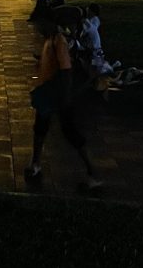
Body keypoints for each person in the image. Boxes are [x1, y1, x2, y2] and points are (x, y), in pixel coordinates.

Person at [24, 17, 100, 191]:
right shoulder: (51, 40)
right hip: (48, 92)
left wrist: (65, 97)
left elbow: (65, 71)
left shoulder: (59, 41)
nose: (38, 27)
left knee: (70, 132)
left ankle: (93, 172)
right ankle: (35, 163)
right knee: (40, 128)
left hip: (58, 94)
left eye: (41, 23)